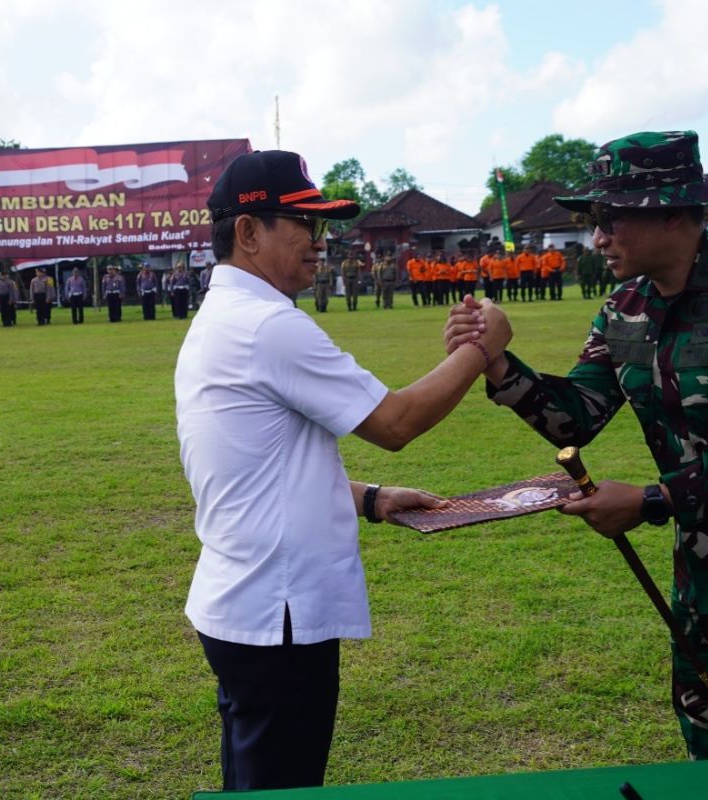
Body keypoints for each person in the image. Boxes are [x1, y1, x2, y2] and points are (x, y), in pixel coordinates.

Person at [446, 130, 708, 760]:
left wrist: (652, 499)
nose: (598, 237)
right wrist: (496, 363)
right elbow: (574, 418)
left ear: (673, 211)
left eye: (611, 219)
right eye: (595, 221)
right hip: (703, 581)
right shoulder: (624, 309)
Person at [177, 150, 511, 792]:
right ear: (248, 233)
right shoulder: (268, 325)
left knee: (253, 784)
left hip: (245, 601)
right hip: (278, 613)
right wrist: (480, 348)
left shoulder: (225, 317)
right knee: (282, 788)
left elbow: (251, 466)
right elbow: (394, 423)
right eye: (304, 224)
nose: (319, 242)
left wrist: (369, 499)